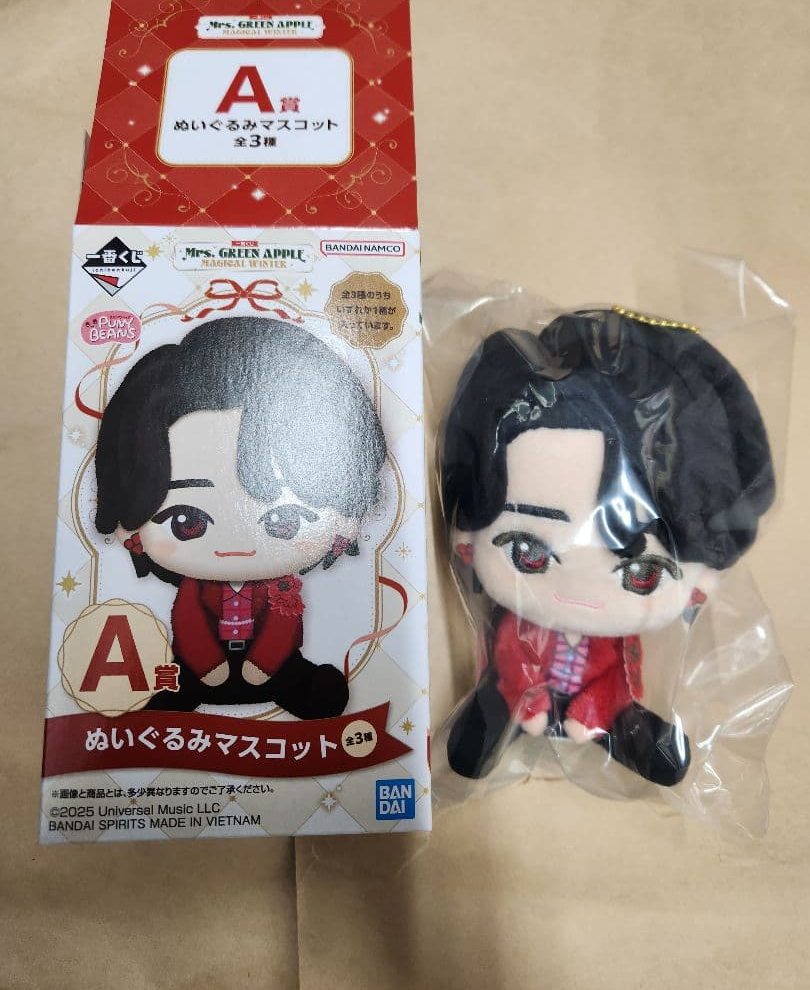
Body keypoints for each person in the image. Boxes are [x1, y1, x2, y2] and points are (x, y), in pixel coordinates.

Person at [440, 307, 774, 785]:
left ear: (702, 582)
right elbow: (512, 658)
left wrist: (592, 710)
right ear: (468, 542)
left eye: (643, 573)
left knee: (620, 714)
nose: (577, 592)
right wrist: (529, 699)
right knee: (501, 693)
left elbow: (615, 678)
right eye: (527, 552)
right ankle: (498, 716)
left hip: (597, 701)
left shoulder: (613, 642)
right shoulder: (519, 624)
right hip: (522, 691)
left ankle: (620, 732)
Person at [94, 315, 386, 716]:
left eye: (284, 521)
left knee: (303, 684)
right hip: (202, 667)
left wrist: (263, 665)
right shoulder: (196, 590)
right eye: (187, 521)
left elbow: (282, 627)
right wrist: (207, 665)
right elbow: (189, 622)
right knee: (175, 687)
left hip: (273, 667)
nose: (235, 546)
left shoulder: (282, 589)